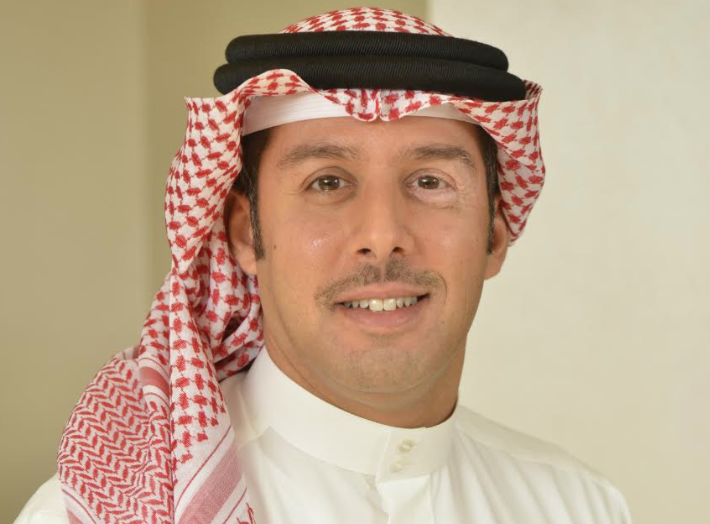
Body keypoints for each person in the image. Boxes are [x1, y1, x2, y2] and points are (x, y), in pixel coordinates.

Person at [15, 7, 632, 524]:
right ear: (245, 235)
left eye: (429, 181)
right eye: (327, 182)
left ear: (494, 236)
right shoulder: (103, 511)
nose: (383, 237)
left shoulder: (578, 506)